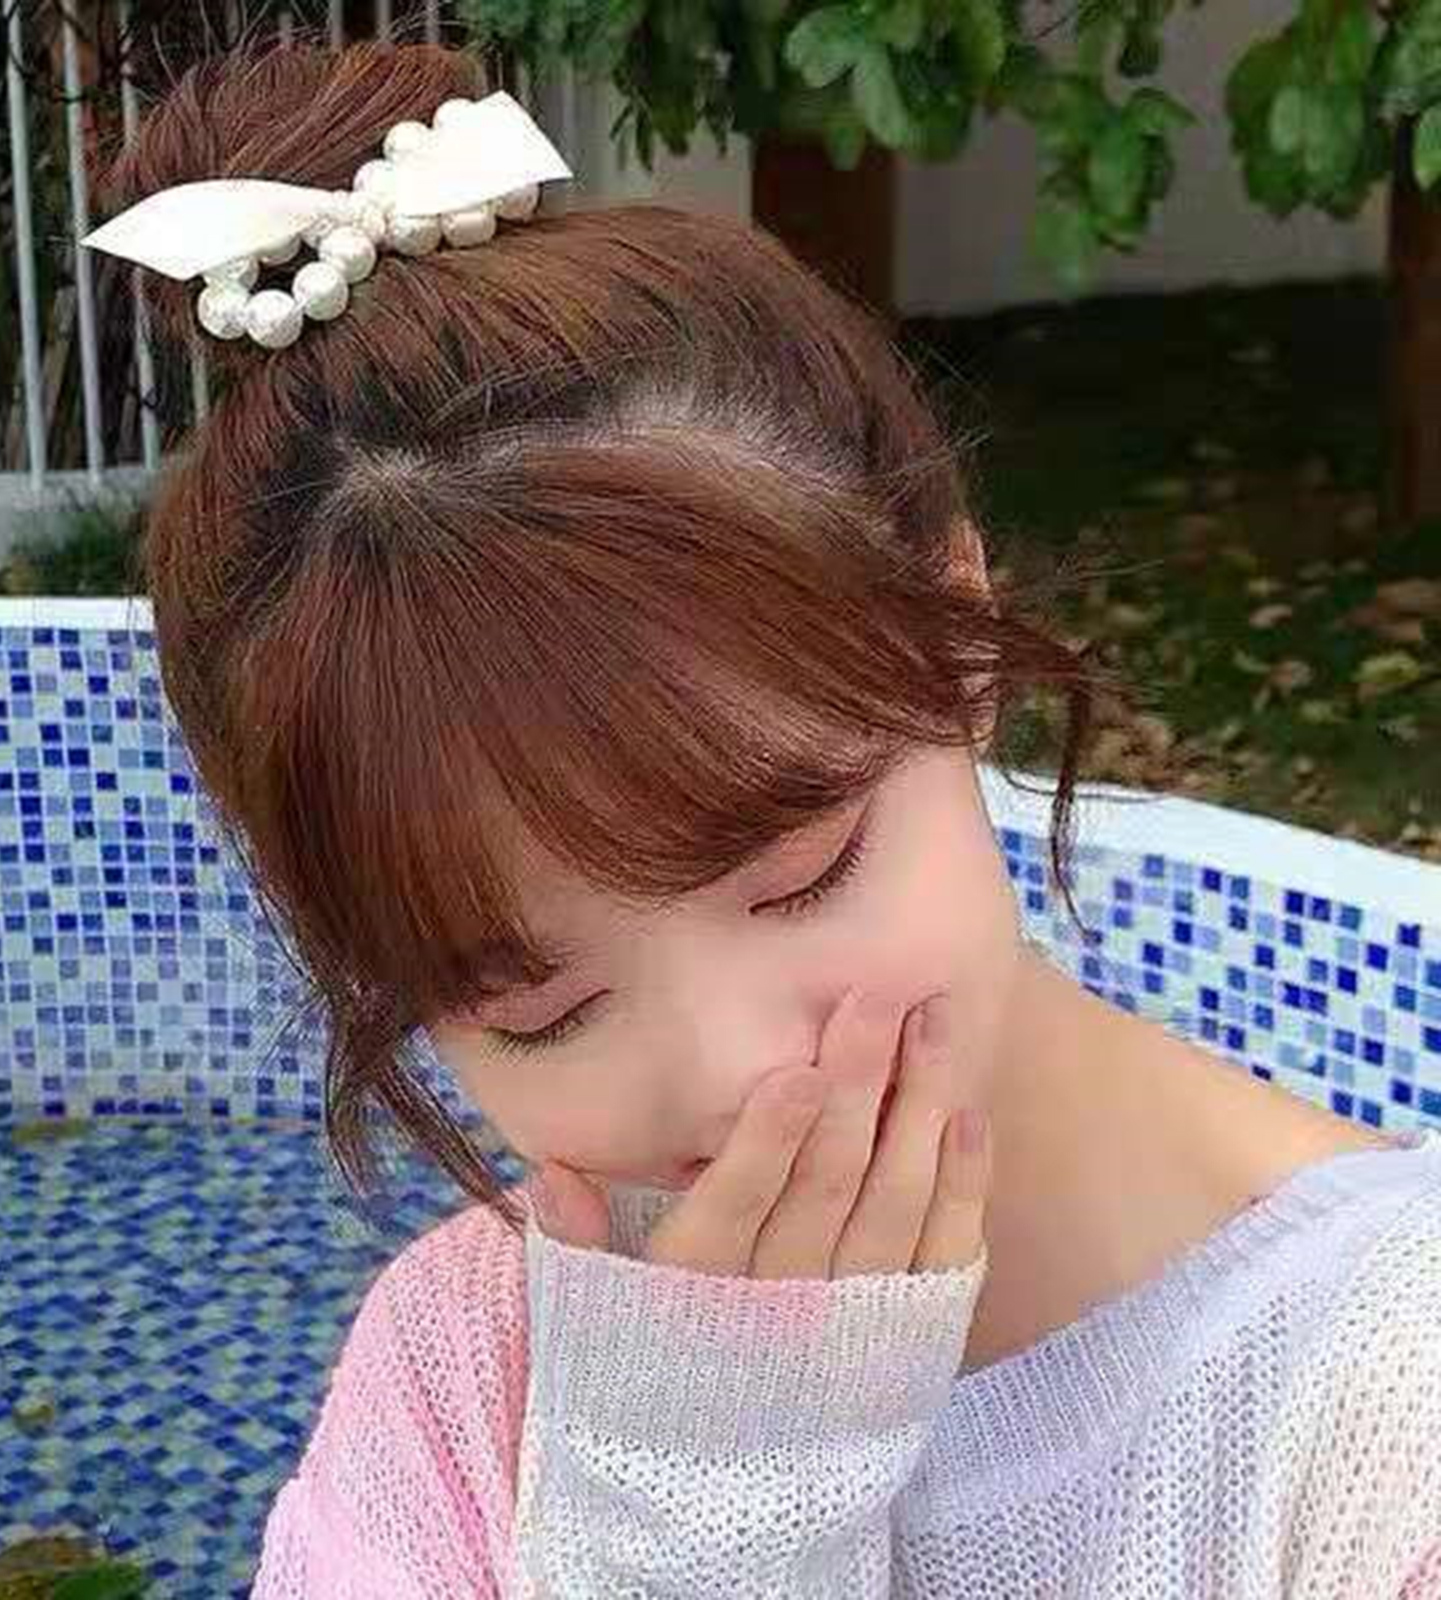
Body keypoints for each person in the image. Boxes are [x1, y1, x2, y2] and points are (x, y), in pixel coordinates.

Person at [91, 34, 1441, 1598]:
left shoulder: (1388, 1404)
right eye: (542, 1009)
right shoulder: (471, 1373)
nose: (748, 1077)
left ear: (958, 628)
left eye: (801, 873)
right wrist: (699, 1512)